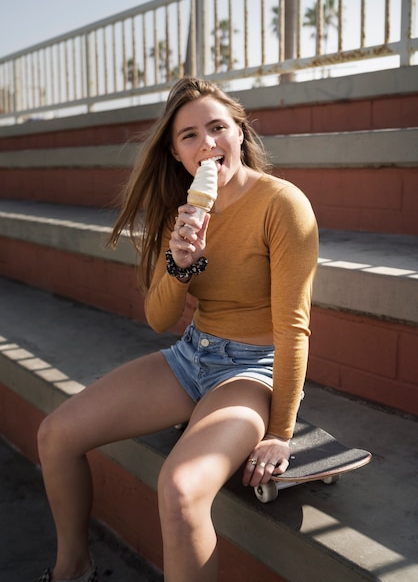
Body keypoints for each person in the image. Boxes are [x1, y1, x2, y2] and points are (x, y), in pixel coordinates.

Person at [36, 76, 318, 582]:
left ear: (241, 133)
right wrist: (180, 261)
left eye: (218, 128)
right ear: (175, 153)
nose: (207, 143)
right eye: (189, 135)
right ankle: (71, 571)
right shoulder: (183, 211)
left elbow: (294, 327)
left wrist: (279, 431)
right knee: (56, 434)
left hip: (251, 371)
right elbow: (159, 319)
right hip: (192, 356)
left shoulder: (283, 204)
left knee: (181, 489)